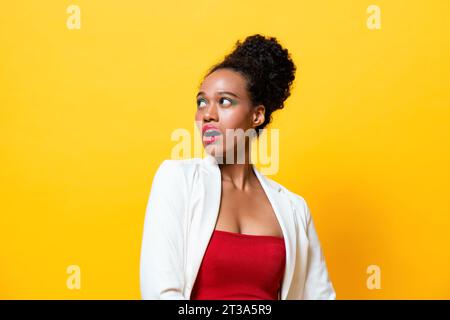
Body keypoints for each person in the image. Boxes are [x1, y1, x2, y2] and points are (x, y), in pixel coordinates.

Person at [140, 34, 336, 300]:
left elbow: (319, 297)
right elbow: (160, 293)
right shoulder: (177, 181)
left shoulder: (293, 208)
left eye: (225, 101)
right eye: (201, 102)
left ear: (257, 115)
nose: (208, 114)